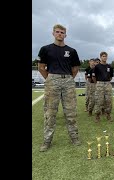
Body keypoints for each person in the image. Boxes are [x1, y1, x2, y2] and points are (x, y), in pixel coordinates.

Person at [38, 24, 81, 152]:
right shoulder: (45, 49)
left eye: (62, 32)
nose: (59, 34)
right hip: (52, 80)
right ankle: (47, 141)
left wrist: (67, 79)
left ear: (65, 35)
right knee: (50, 112)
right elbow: (41, 67)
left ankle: (74, 137)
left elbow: (75, 69)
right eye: (57, 32)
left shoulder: (72, 51)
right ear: (53, 33)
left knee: (71, 112)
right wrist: (50, 79)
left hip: (68, 80)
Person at [92, 52, 114, 123]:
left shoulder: (109, 67)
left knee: (109, 101)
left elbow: (110, 77)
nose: (104, 57)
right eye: (103, 56)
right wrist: (98, 83)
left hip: (108, 84)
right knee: (99, 101)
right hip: (99, 84)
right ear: (101, 57)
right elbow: (93, 77)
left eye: (106, 56)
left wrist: (106, 82)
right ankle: (97, 116)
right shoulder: (97, 66)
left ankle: (108, 115)